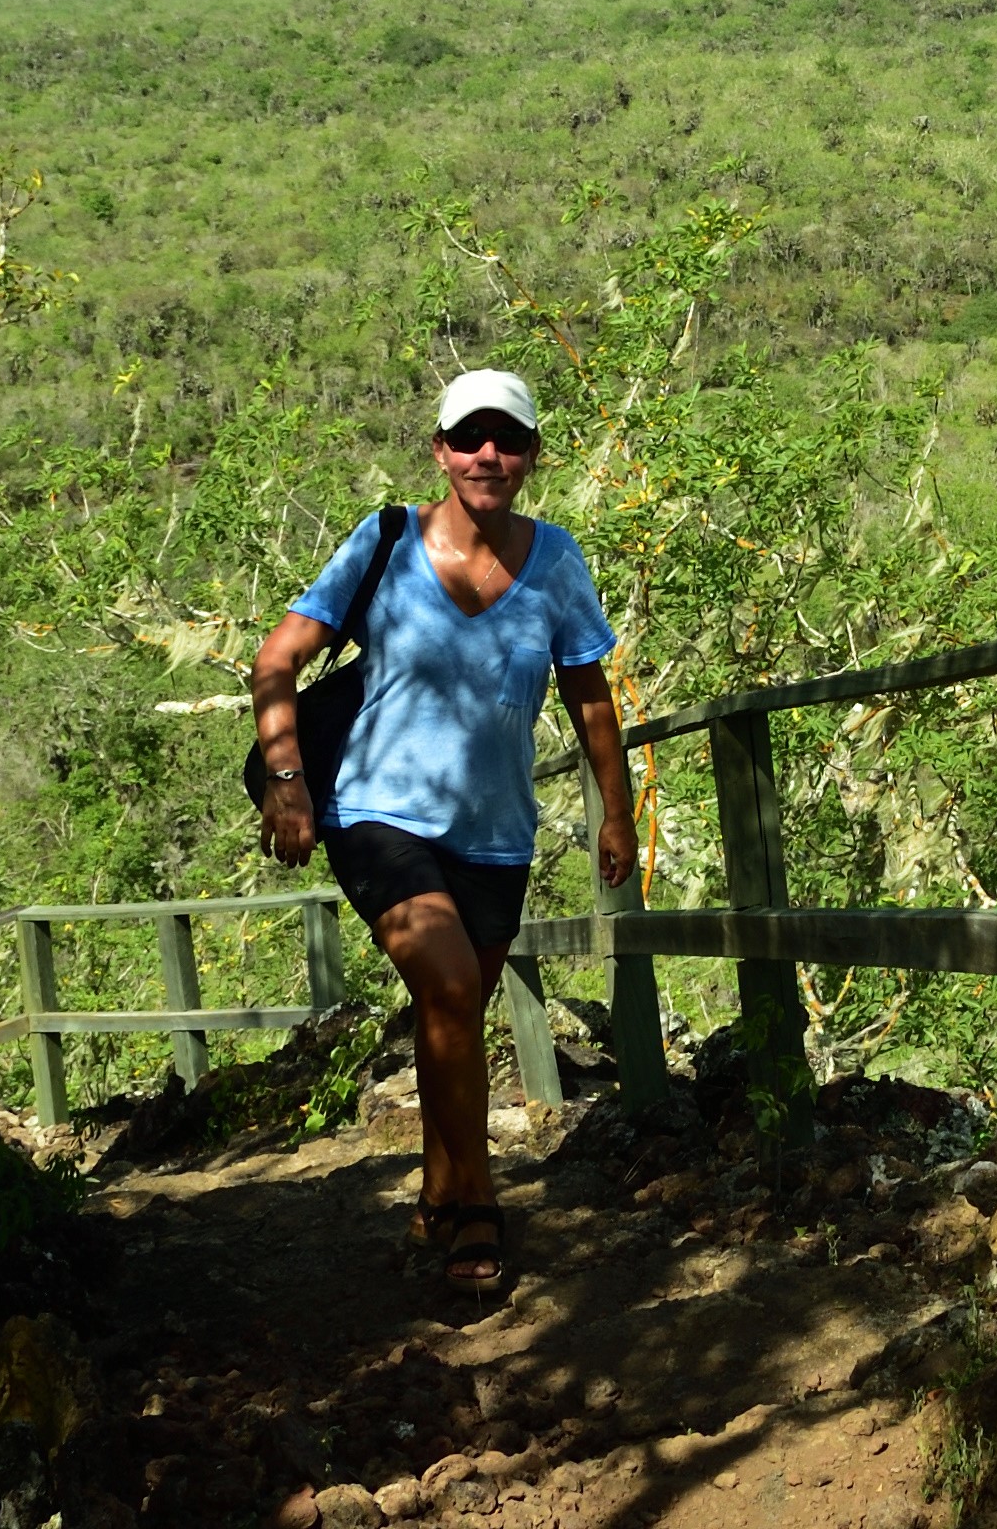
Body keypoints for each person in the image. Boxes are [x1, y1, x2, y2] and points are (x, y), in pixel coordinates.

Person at [249, 367, 636, 1302]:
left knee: (449, 1008)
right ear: (441, 451)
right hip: (376, 813)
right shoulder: (385, 541)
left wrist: (617, 809)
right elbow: (277, 658)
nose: (487, 455)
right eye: (469, 439)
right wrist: (289, 781)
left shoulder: (557, 561)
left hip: (495, 834)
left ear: (532, 455)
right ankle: (478, 1205)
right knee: (454, 983)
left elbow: (589, 695)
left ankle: (433, 1189)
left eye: (506, 440)